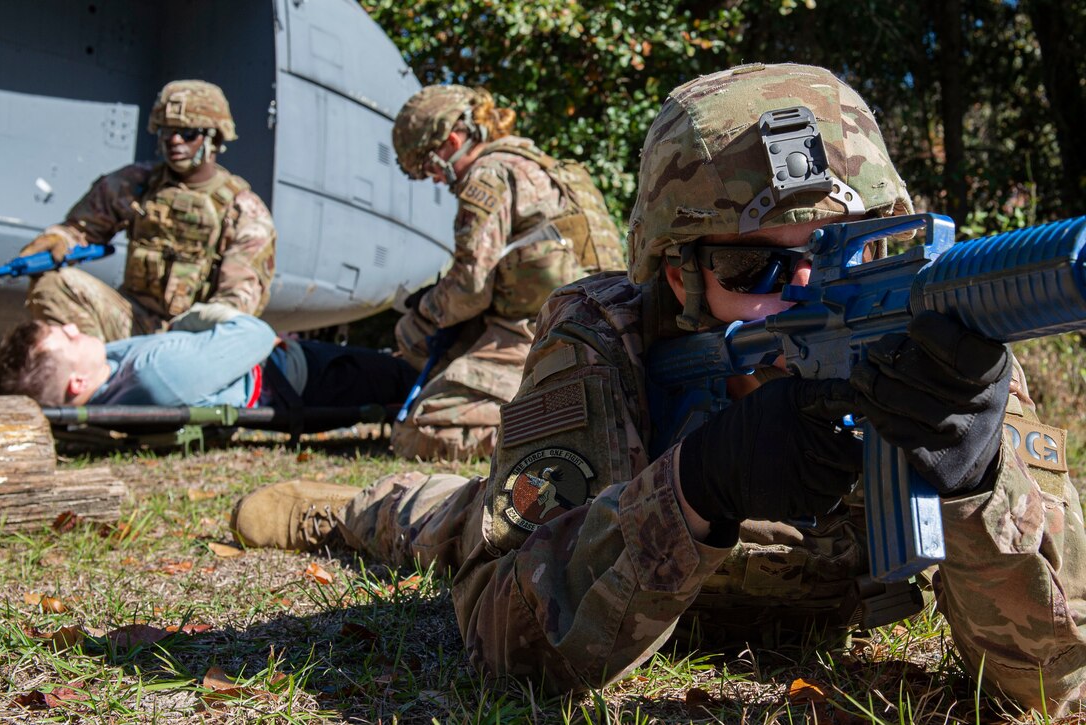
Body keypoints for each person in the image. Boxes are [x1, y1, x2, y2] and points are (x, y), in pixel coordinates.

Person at [230, 64, 1086, 715]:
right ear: (675, 277)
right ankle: (349, 508)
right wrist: (699, 486)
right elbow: (499, 629)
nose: (807, 293)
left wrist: (976, 484)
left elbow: (1057, 679)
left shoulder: (939, 339)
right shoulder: (608, 340)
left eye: (844, 252)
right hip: (606, 533)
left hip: (825, 592)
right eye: (757, 266)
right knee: (449, 518)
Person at [388, 84, 625, 460]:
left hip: (540, 333)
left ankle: (568, 430)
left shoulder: (487, 175)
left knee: (417, 431)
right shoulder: (545, 166)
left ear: (452, 141)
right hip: (604, 326)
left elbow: (468, 288)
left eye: (431, 165)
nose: (436, 178)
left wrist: (424, 310)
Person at [18, 80, 276, 343]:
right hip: (132, 320)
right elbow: (82, 229)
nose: (174, 141)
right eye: (167, 132)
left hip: (191, 340)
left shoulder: (244, 211)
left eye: (188, 133)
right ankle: (95, 370)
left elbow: (235, 304)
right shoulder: (137, 184)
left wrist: (189, 337)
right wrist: (59, 239)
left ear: (214, 137)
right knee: (52, 285)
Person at [0, 302, 414, 412]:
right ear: (76, 384)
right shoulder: (158, 373)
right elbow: (257, 333)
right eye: (64, 339)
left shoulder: (111, 376)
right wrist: (200, 316)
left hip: (294, 367)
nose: (73, 328)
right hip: (314, 375)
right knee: (410, 376)